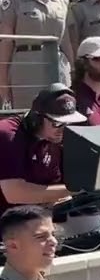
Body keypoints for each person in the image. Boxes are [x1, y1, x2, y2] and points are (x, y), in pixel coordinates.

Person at [0, 0, 73, 109]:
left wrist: (72, 70)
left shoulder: (62, 1)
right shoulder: (14, 1)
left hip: (56, 64)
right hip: (26, 66)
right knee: (28, 116)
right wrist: (3, 84)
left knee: (58, 114)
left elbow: (66, 40)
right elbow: (6, 42)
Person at [0, 84, 84, 212]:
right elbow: (15, 193)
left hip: (33, 218)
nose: (63, 130)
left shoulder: (52, 140)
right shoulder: (8, 134)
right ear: (37, 119)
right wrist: (76, 190)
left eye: (68, 123)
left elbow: (53, 187)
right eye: (57, 123)